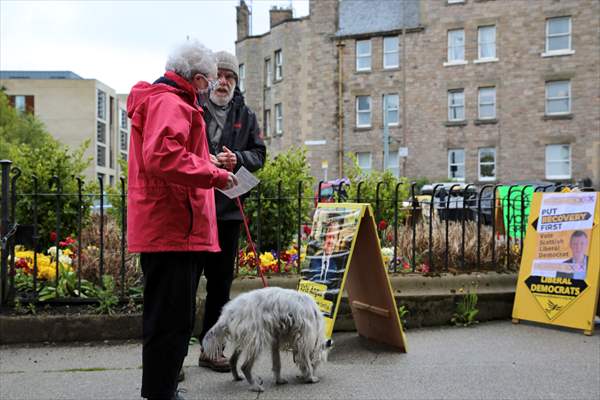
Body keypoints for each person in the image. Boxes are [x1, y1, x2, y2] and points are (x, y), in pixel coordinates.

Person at [127, 39, 237, 400]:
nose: (208, 89)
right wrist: (214, 175)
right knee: (171, 319)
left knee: (172, 316)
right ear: (198, 78)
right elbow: (163, 155)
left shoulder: (170, 100)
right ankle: (161, 392)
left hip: (175, 225)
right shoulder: (170, 101)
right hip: (173, 225)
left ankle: (163, 386)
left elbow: (177, 154)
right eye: (207, 81)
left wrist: (210, 164)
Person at [195, 51, 266, 372]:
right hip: (193, 209)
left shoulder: (246, 114)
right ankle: (172, 359)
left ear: (236, 83)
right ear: (208, 78)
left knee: (220, 286)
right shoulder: (191, 107)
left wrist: (236, 158)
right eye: (219, 74)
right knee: (184, 285)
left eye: (230, 77)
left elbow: (259, 155)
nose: (223, 81)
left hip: (228, 211)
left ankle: (211, 351)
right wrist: (206, 160)